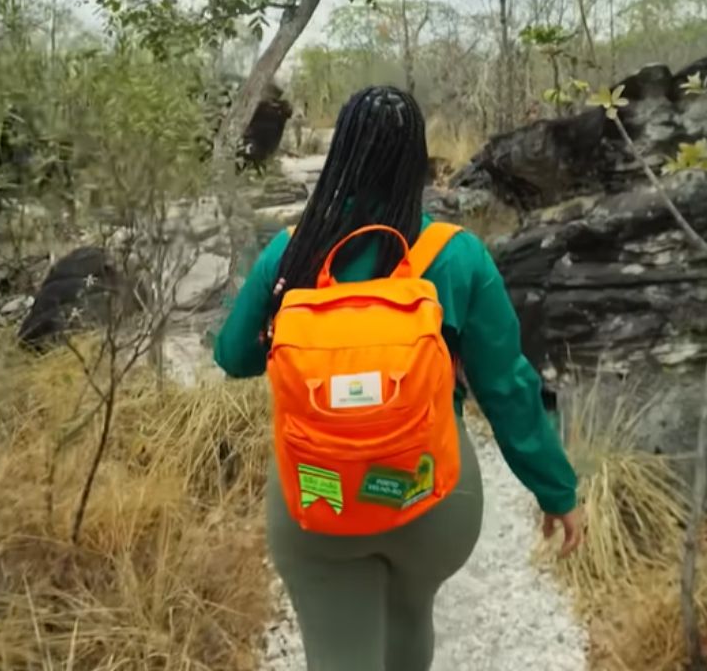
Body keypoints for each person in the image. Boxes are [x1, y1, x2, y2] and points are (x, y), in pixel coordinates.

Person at [213, 85, 583, 671]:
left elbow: (232, 356)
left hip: (318, 492)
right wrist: (556, 491)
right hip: (429, 493)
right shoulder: (457, 255)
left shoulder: (291, 252)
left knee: (339, 652)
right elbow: (507, 388)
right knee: (410, 619)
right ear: (417, 162)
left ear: (340, 154)